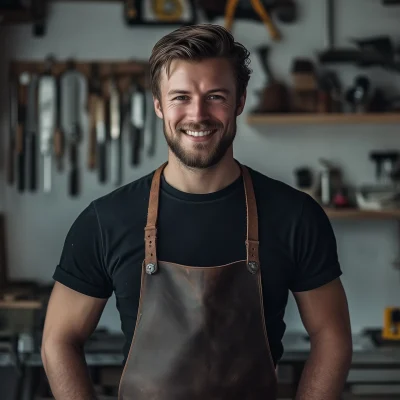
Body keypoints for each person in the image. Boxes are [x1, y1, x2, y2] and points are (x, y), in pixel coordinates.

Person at [41, 24, 352, 399]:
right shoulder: (105, 221)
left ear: (239, 102)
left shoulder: (296, 216)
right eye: (181, 97)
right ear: (158, 105)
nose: (198, 114)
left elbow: (331, 337)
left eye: (215, 96)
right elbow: (58, 340)